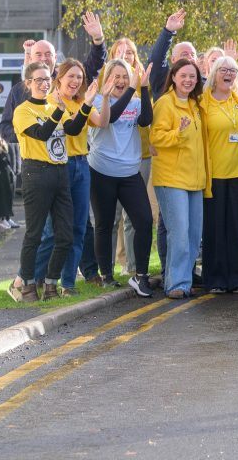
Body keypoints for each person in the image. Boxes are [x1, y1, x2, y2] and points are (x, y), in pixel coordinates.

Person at [8, 62, 95, 302]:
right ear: (28, 84)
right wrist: (57, 110)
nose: (45, 83)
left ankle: (50, 284)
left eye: (48, 79)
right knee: (35, 234)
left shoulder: (54, 106)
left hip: (60, 173)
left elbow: (74, 129)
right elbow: (41, 134)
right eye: (39, 80)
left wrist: (87, 103)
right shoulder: (23, 110)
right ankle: (26, 286)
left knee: (65, 235)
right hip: (36, 173)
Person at [32, 60, 102, 295]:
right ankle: (33, 279)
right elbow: (71, 128)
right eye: (71, 76)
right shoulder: (52, 102)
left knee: (78, 227)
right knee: (54, 230)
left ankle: (68, 283)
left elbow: (102, 121)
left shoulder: (82, 102)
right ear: (59, 78)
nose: (75, 82)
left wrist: (108, 94)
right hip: (59, 167)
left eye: (79, 78)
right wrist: (88, 104)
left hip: (82, 164)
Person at [88, 59, 155, 298]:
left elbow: (146, 120)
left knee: (145, 221)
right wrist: (130, 90)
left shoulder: (135, 101)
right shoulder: (97, 100)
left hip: (129, 172)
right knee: (105, 224)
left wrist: (144, 88)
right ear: (107, 79)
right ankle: (106, 274)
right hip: (102, 171)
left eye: (125, 76)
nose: (121, 81)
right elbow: (112, 117)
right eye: (116, 76)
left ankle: (141, 275)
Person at [0, 12, 107, 145]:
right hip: (36, 160)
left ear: (55, 58)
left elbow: (93, 65)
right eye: (38, 54)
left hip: (71, 158)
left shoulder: (67, 80)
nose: (44, 58)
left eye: (48, 54)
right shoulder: (19, 90)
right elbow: (5, 128)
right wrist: (30, 134)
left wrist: (98, 40)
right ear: (30, 59)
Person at [150, 59, 207, 299]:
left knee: (194, 236)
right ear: (173, 76)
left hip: (195, 179)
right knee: (180, 234)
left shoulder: (196, 104)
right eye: (183, 75)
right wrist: (179, 133)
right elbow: (156, 138)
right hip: (172, 178)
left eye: (192, 76)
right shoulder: (165, 103)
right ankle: (175, 283)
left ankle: (184, 280)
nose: (188, 80)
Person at [200, 56, 238, 294]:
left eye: (233, 71)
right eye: (224, 70)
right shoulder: (202, 103)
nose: (229, 74)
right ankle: (215, 279)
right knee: (214, 228)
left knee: (237, 226)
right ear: (213, 74)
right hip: (212, 175)